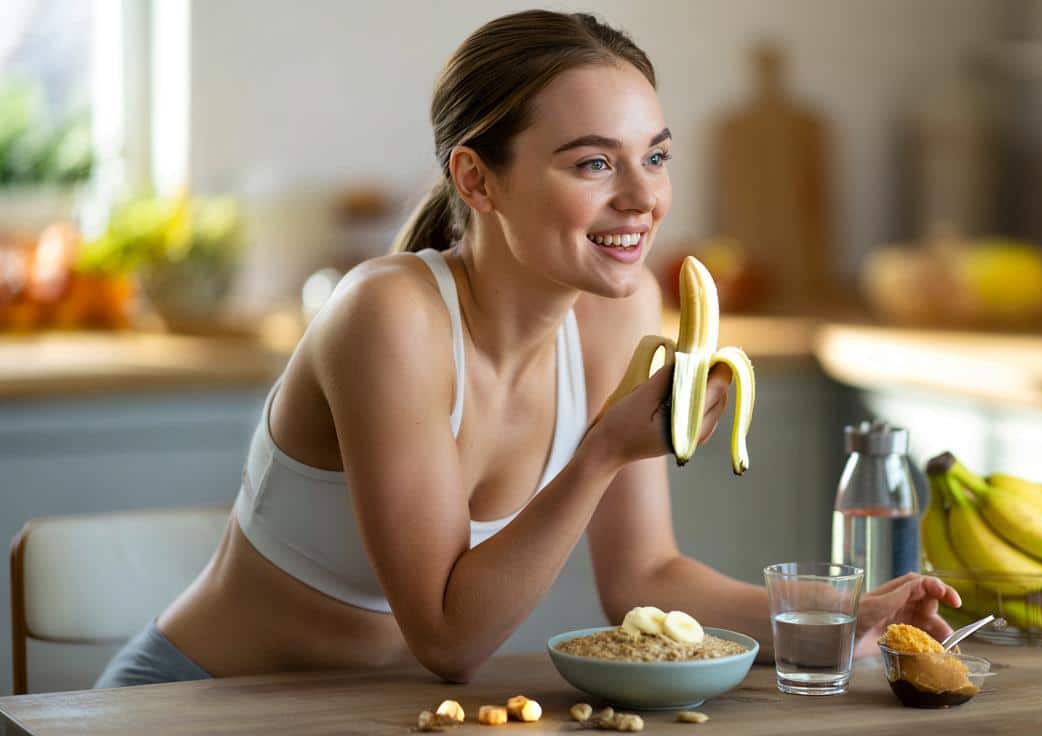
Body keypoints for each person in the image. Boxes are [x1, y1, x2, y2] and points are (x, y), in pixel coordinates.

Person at [95, 9, 960, 689]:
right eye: (592, 165)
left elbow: (646, 580)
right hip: (199, 705)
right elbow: (448, 641)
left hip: (381, 718)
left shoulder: (621, 313)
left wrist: (838, 617)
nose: (641, 199)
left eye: (654, 157)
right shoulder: (389, 316)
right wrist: (604, 451)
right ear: (477, 179)